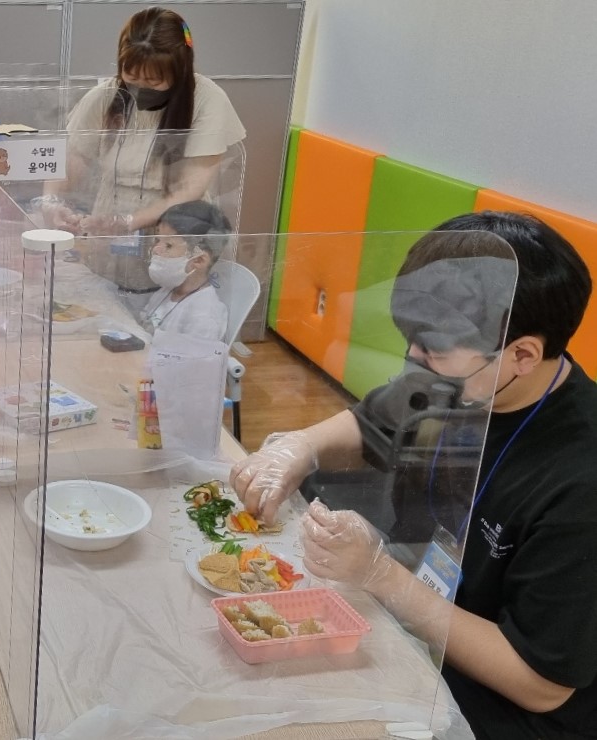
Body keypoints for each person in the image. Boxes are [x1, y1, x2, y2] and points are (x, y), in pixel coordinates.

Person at [231, 212, 597, 737]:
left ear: (522, 355)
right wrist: (300, 446)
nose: (414, 363)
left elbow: (540, 684)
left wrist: (382, 576)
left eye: (434, 353)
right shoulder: (467, 378)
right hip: (415, 625)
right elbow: (369, 420)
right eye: (411, 344)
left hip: (497, 703)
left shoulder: (579, 482)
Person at [38, 6, 245, 313]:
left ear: (179, 70)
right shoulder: (106, 96)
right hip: (109, 233)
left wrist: (130, 222)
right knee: (112, 317)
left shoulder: (207, 99)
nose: (140, 87)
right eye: (131, 75)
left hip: (173, 234)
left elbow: (188, 189)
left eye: (154, 80)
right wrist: (53, 203)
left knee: (168, 318)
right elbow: (71, 158)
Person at [140, 200, 231, 341]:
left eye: (168, 245)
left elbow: (192, 361)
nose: (156, 249)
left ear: (199, 260)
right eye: (158, 240)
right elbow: (144, 322)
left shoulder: (204, 317)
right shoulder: (167, 291)